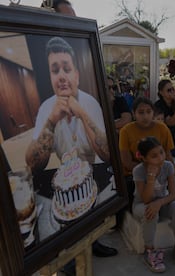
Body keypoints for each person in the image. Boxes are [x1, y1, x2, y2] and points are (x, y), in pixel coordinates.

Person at [24, 36, 117, 263]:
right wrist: (52, 121)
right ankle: (67, 256)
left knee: (92, 210)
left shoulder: (91, 103)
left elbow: (106, 154)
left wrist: (83, 114)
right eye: (55, 70)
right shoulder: (47, 107)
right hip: (65, 178)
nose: (62, 76)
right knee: (63, 221)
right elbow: (33, 164)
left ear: (76, 74)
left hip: (91, 174)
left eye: (67, 68)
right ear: (51, 77)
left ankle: (94, 242)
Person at [132, 136, 175, 273]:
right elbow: (146, 199)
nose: (160, 157)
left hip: (161, 202)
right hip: (141, 205)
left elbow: (172, 194)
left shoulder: (168, 166)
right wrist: (151, 177)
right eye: (154, 156)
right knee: (150, 211)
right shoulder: (139, 171)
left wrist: (159, 202)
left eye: (161, 152)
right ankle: (150, 251)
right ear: (144, 158)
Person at [119, 97, 175, 210]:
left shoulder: (162, 128)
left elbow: (167, 153)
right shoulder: (126, 131)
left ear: (153, 113)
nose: (145, 116)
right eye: (141, 112)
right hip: (134, 172)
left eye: (148, 112)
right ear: (134, 114)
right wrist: (148, 171)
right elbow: (126, 161)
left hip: (158, 170)